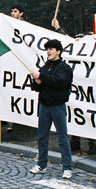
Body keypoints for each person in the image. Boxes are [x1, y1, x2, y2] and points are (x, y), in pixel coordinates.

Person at [28, 39, 73, 178]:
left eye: (51, 49)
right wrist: (35, 81)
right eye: (47, 49)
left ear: (58, 51)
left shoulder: (65, 68)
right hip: (44, 106)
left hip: (57, 106)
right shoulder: (45, 66)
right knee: (42, 137)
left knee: (62, 138)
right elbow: (38, 87)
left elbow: (59, 81)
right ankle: (41, 164)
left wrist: (41, 76)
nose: (48, 51)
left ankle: (67, 167)